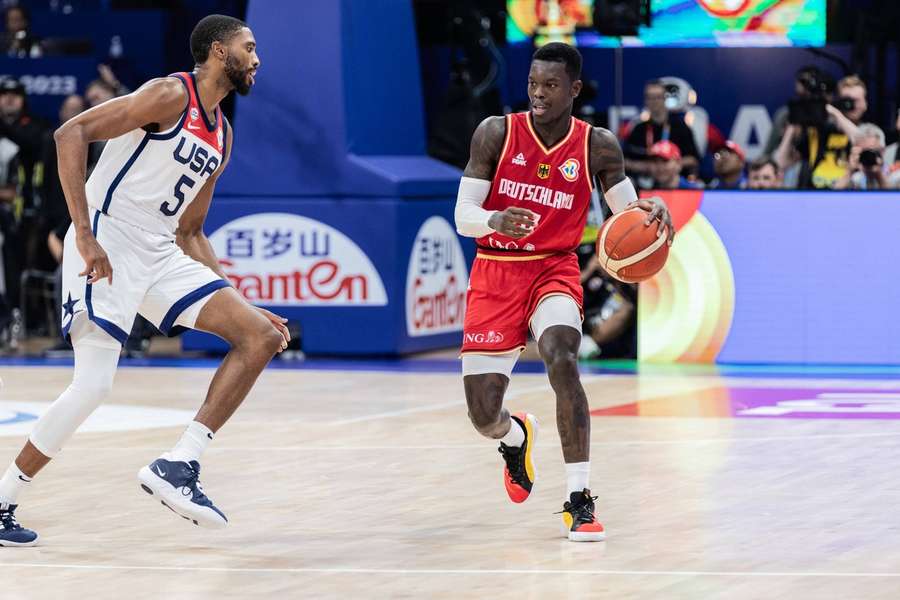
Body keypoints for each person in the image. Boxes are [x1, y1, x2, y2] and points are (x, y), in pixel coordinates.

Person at [0, 14, 288, 547]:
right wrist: (83, 235)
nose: (257, 57)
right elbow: (71, 132)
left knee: (260, 336)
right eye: (249, 47)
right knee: (93, 386)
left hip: (160, 250)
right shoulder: (168, 93)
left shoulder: (222, 135)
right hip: (108, 242)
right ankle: (3, 499)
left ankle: (179, 464)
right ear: (220, 51)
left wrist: (243, 304)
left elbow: (193, 231)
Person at [454, 42, 673, 542]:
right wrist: (495, 219)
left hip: (554, 268)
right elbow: (462, 216)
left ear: (573, 89)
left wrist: (652, 211)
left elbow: (626, 216)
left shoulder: (597, 145)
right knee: (483, 413)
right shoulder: (496, 132)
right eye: (532, 83)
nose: (538, 94)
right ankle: (515, 437)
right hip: (495, 269)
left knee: (562, 358)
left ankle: (580, 498)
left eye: (550, 85)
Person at [622, 79, 700, 189]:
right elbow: (624, 161)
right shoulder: (638, 129)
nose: (654, 101)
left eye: (658, 97)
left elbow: (694, 159)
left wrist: (668, 166)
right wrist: (646, 167)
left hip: (676, 186)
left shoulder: (680, 127)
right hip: (644, 186)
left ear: (665, 99)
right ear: (645, 101)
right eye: (650, 97)